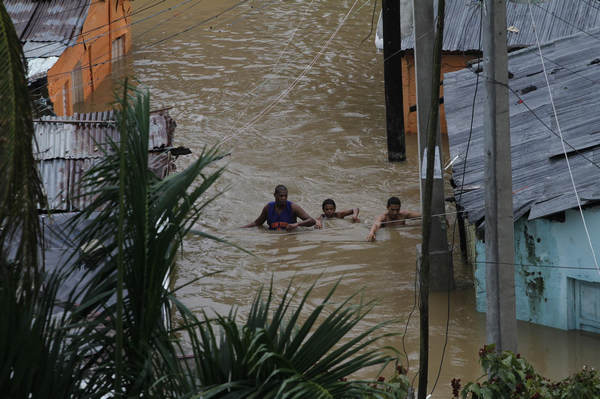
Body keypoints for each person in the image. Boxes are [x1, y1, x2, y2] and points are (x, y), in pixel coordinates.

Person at [242, 185, 316, 231]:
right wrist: (240, 229)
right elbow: (257, 223)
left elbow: (312, 221)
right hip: (273, 237)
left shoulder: (293, 207)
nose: (283, 198)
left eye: (285, 196)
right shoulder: (268, 208)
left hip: (290, 237)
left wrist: (296, 224)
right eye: (281, 196)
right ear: (275, 195)